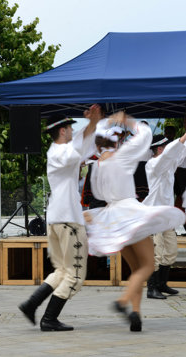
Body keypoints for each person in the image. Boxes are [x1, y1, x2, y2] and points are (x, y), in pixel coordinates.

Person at [84, 112, 185, 332]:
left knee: (135, 269)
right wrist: (126, 119)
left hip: (114, 219)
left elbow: (99, 195)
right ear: (117, 140)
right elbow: (146, 133)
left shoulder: (96, 168)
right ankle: (123, 302)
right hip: (129, 213)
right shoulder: (122, 156)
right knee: (147, 265)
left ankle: (136, 315)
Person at [18, 105, 101, 332]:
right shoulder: (59, 151)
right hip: (68, 221)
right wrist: (92, 123)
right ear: (63, 131)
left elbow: (79, 152)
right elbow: (79, 149)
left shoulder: (57, 153)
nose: (72, 132)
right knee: (75, 274)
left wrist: (92, 126)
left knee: (62, 271)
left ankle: (31, 304)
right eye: (70, 129)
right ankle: (49, 318)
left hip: (58, 219)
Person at [142, 131, 186, 299]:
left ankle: (162, 284)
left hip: (167, 215)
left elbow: (179, 153)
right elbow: (171, 153)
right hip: (155, 214)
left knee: (170, 251)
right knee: (157, 253)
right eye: (166, 147)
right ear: (160, 149)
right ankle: (151, 288)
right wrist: (183, 137)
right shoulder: (153, 165)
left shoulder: (167, 166)